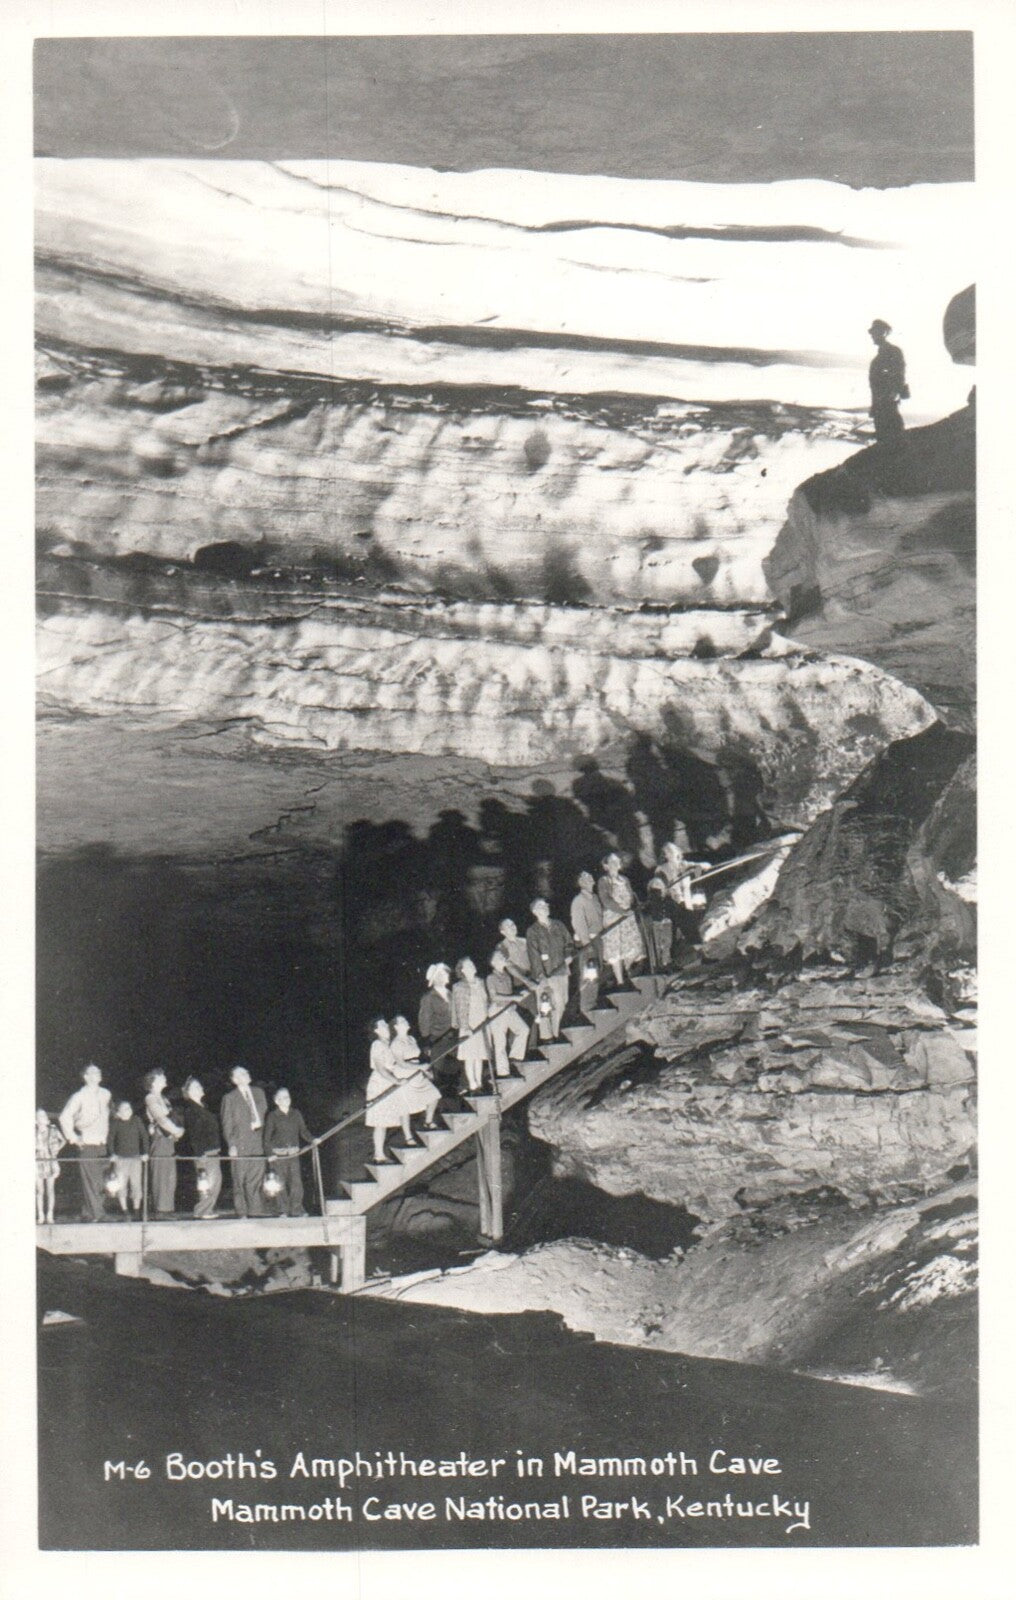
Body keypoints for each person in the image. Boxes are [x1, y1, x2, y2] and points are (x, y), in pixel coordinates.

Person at [59, 1064, 112, 1222]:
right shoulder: (79, 1096)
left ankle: (88, 1213)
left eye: (99, 1071)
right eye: (94, 1072)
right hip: (87, 1142)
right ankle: (98, 1214)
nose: (98, 1074)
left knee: (101, 1182)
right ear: (86, 1077)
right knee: (91, 1182)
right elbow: (64, 1117)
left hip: (102, 1144)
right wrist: (74, 1138)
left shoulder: (106, 1094)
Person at [220, 1065, 268, 1217]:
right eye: (241, 1073)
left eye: (246, 1071)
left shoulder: (259, 1093)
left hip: (257, 1141)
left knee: (256, 1179)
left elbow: (264, 1113)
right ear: (234, 1080)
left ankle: (256, 1211)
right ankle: (241, 1212)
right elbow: (227, 1123)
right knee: (239, 1179)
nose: (246, 1074)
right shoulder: (229, 1098)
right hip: (240, 1143)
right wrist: (231, 1144)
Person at [365, 1018, 414, 1163]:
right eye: (382, 1025)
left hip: (391, 1082)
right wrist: (397, 1081)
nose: (386, 1026)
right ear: (376, 1030)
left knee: (391, 1116)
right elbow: (381, 1069)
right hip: (380, 1084)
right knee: (380, 1121)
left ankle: (406, 1139)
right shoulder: (377, 1044)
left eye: (386, 1024)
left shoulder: (390, 1043)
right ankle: (379, 1155)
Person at [525, 898, 574, 1040]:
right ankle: (548, 1037)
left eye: (546, 905)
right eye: (541, 906)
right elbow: (533, 954)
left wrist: (568, 955)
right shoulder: (533, 931)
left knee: (562, 1003)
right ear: (535, 911)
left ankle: (557, 1032)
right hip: (546, 974)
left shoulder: (558, 925)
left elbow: (569, 943)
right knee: (546, 1005)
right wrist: (541, 976)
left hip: (561, 971)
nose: (545, 907)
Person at [263, 1087, 313, 1217]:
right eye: (283, 1097)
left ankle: (296, 1209)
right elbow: (267, 1138)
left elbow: (303, 1131)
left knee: (296, 1183)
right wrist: (270, 1154)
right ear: (276, 1100)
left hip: (293, 1154)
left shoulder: (296, 1113)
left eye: (288, 1097)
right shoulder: (272, 1116)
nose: (287, 1100)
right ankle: (282, 1210)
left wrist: (313, 1140)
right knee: (280, 1184)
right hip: (278, 1156)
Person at [597, 853, 646, 987]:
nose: (616, 864)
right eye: (612, 862)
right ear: (606, 866)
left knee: (633, 947)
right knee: (616, 950)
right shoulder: (604, 881)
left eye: (617, 861)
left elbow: (630, 897)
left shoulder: (624, 879)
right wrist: (621, 911)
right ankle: (620, 982)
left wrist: (630, 908)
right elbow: (606, 900)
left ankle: (629, 971)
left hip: (627, 918)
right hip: (613, 918)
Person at [484, 950, 531, 1077]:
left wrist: (515, 999)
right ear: (493, 962)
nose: (503, 957)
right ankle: (503, 1073)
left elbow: (510, 995)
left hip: (508, 1010)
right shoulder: (491, 978)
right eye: (500, 956)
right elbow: (494, 997)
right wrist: (514, 998)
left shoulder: (507, 976)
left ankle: (515, 1058)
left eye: (503, 956)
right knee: (500, 1043)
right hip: (497, 1011)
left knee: (523, 1029)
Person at [181, 1076, 222, 1219]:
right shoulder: (192, 1110)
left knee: (214, 1182)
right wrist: (200, 1154)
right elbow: (194, 1134)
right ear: (189, 1092)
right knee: (207, 1182)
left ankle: (206, 1209)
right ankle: (202, 1210)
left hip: (212, 1151)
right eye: (196, 1087)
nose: (201, 1089)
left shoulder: (203, 1107)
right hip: (204, 1153)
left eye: (200, 1086)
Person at [143, 1070, 184, 1216]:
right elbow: (160, 1118)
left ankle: (167, 1208)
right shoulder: (151, 1098)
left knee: (169, 1174)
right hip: (160, 1139)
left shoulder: (163, 1098)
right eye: (162, 1077)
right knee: (161, 1173)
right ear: (153, 1081)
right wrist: (175, 1130)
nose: (165, 1078)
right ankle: (160, 1210)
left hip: (168, 1140)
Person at [390, 1015, 441, 1127]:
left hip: (417, 1072)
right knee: (406, 1107)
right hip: (405, 1074)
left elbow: (418, 1059)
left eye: (405, 1019)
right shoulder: (395, 1043)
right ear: (396, 1027)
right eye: (402, 1021)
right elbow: (401, 1063)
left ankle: (428, 1122)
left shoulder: (412, 1039)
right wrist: (420, 1067)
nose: (406, 1022)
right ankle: (409, 1137)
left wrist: (425, 1071)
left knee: (434, 1095)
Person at [418, 962, 459, 1100]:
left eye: (447, 973)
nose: (447, 975)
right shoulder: (429, 997)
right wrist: (427, 1042)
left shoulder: (451, 994)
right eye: (443, 974)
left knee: (454, 1072)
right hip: (438, 1040)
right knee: (439, 1076)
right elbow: (424, 1021)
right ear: (436, 978)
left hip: (454, 1037)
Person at [451, 957, 492, 1093]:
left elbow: (486, 1001)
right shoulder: (458, 986)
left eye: (473, 964)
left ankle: (479, 1083)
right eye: (469, 965)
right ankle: (472, 1084)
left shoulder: (480, 982)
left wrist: (487, 1017)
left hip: (481, 1022)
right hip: (468, 1024)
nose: (473, 966)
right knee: (470, 1056)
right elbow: (459, 1008)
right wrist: (465, 1027)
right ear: (462, 970)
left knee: (479, 1054)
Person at [868, 318, 908, 450]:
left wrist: (894, 392)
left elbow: (899, 374)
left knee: (894, 438)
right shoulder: (877, 358)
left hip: (888, 403)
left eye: (875, 332)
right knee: (884, 441)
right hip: (880, 405)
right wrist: (874, 407)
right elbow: (874, 387)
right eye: (872, 333)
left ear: (883, 333)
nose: (872, 336)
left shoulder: (893, 352)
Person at [106, 1100, 148, 1215]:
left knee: (136, 1184)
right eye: (124, 1108)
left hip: (136, 1158)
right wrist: (112, 1154)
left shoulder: (136, 1121)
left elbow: (144, 1136)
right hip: (121, 1159)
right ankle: (124, 1210)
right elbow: (110, 1140)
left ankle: (136, 1209)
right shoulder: (115, 1123)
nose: (128, 1110)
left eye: (129, 1108)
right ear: (119, 1112)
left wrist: (145, 1153)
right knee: (122, 1184)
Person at [570, 870, 604, 1014]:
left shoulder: (594, 898)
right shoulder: (578, 901)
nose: (589, 879)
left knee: (597, 971)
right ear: (579, 883)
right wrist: (586, 944)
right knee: (589, 972)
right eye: (584, 878)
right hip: (588, 941)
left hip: (597, 938)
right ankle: (586, 1007)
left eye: (590, 876)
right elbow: (579, 923)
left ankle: (592, 1001)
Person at [645, 875, 681, 972]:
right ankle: (660, 964)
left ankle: (667, 962)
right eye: (655, 884)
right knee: (658, 944)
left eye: (659, 884)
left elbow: (674, 908)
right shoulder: (652, 898)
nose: (657, 886)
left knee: (667, 943)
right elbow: (651, 907)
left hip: (667, 923)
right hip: (656, 924)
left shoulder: (668, 899)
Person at [35, 1110, 64, 1225]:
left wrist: (56, 1150)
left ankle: (50, 1214)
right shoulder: (32, 1131)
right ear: (36, 1119)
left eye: (44, 1115)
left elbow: (63, 1140)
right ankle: (40, 1215)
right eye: (40, 1116)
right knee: (39, 1190)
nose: (43, 1117)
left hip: (51, 1161)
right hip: (38, 1162)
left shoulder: (53, 1129)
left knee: (50, 1190)